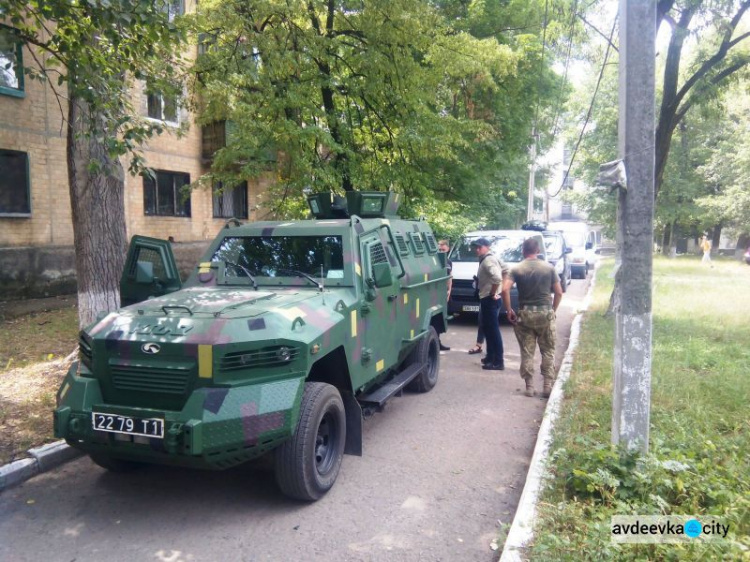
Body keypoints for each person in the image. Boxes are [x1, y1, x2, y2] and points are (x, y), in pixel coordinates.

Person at [502, 237, 563, 398]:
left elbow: (504, 289)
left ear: (523, 251)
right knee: (548, 350)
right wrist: (553, 310)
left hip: (525, 315)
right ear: (538, 251)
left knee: (527, 351)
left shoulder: (516, 269)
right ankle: (547, 385)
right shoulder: (549, 268)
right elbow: (558, 292)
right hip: (545, 314)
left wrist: (509, 310)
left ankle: (529, 386)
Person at [472, 237, 509, 370]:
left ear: (487, 247)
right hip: (489, 298)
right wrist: (500, 290)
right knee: (487, 329)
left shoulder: (488, 260)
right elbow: (506, 269)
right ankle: (490, 356)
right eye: (476, 247)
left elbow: (497, 277)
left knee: (493, 331)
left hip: (490, 299)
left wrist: (495, 292)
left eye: (480, 247)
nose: (477, 249)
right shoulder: (490, 258)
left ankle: (498, 362)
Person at [438, 239, 452, 352]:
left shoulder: (449, 261)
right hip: (436, 291)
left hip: (444, 291)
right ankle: (436, 341)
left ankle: (438, 342)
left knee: (441, 317)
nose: (441, 250)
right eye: (439, 248)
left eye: (443, 248)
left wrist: (449, 291)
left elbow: (450, 276)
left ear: (448, 248)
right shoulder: (436, 259)